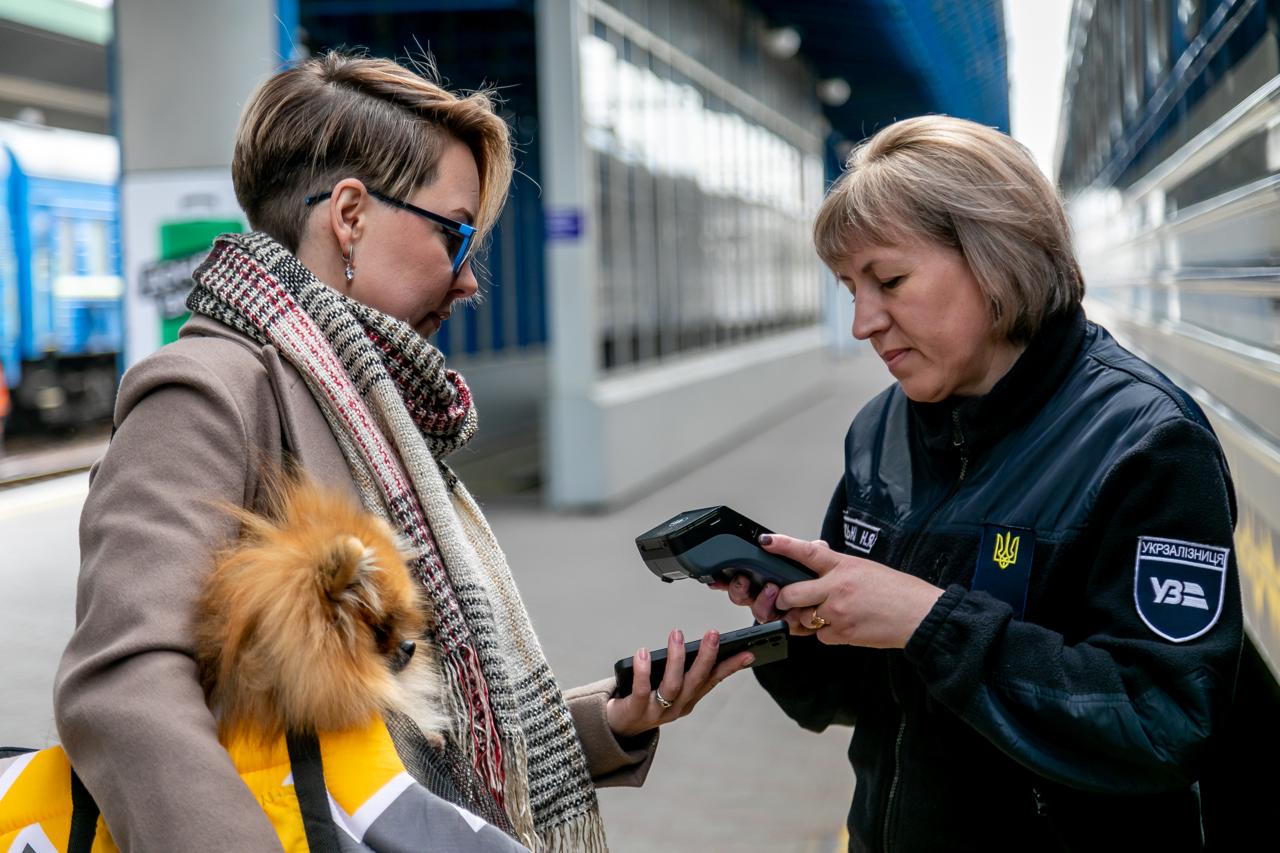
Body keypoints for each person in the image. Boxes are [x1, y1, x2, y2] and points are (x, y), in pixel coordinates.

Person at [54, 52, 750, 852]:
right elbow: (124, 686)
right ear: (350, 215)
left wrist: (609, 720)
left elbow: (417, 738)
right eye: (454, 234)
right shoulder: (206, 392)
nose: (469, 281)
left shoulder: (377, 411)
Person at [717, 116, 1241, 852]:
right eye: (849, 288)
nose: (863, 321)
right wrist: (800, 627)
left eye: (889, 281)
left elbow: (1165, 720)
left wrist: (930, 620)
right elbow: (870, 695)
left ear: (996, 257)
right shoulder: (879, 431)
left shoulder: (1147, 442)